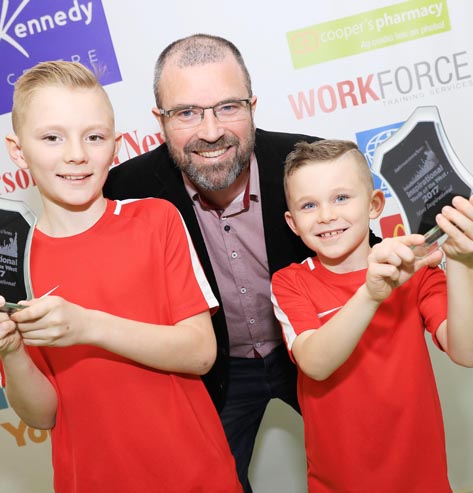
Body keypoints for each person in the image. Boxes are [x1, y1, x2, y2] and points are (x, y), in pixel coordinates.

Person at [0, 61, 242, 493]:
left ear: (114, 146)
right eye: (51, 137)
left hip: (197, 475)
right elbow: (41, 415)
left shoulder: (156, 220)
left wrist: (86, 325)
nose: (76, 154)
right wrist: (10, 351)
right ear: (17, 149)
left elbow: (199, 353)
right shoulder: (10, 260)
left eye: (93, 137)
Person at [103, 33, 381, 492]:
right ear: (160, 120)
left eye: (228, 107)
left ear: (253, 106)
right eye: (187, 112)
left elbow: (368, 259)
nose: (210, 131)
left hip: (314, 349)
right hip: (212, 373)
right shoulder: (126, 191)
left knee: (369, 466)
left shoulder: (308, 164)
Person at [271, 139, 473, 493]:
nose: (326, 216)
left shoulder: (416, 268)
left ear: (374, 204)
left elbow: (469, 352)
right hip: (339, 484)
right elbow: (315, 363)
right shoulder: (290, 282)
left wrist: (462, 255)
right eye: (308, 205)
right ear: (292, 223)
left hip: (422, 481)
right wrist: (371, 294)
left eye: (341, 197)